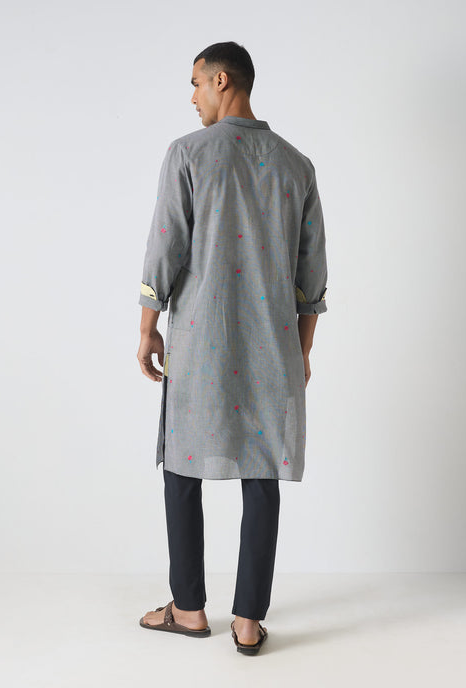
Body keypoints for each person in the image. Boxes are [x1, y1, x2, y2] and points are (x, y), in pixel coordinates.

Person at [136, 41, 328, 655]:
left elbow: (165, 247)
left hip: (200, 343)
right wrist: (302, 351)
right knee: (262, 472)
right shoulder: (297, 165)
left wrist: (146, 327)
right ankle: (248, 623)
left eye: (196, 83)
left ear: (222, 80)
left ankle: (189, 609)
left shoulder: (188, 154)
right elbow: (311, 278)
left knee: (182, 468)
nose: (193, 97)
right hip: (273, 347)